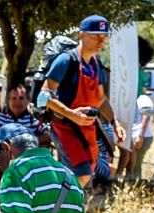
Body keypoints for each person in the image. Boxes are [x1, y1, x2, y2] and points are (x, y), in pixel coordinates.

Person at [43, 15, 124, 188]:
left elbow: (101, 100)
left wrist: (114, 123)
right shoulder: (66, 60)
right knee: (81, 176)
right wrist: (71, 114)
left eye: (104, 37)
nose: (101, 41)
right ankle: (57, 209)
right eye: (95, 36)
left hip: (86, 130)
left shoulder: (95, 64)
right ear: (81, 35)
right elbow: (43, 96)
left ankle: (61, 209)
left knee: (81, 178)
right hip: (65, 128)